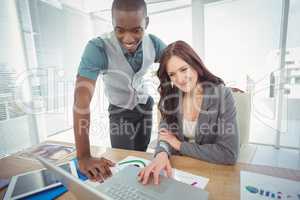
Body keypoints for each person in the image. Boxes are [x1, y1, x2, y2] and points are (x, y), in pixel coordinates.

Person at [73, 0, 166, 182]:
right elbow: (81, 101)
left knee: (139, 158)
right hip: (119, 112)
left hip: (145, 108)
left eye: (136, 30)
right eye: (120, 30)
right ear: (113, 23)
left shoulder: (154, 43)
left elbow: (183, 63)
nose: (128, 39)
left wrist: (213, 83)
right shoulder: (97, 48)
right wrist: (84, 156)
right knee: (124, 164)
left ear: (146, 23)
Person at [138, 41, 240, 185]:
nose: (179, 79)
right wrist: (161, 153)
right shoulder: (171, 97)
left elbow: (228, 153)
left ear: (195, 65)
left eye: (184, 69)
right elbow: (165, 134)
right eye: (172, 74)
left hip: (212, 171)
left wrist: (179, 145)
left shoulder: (222, 95)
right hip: (180, 169)